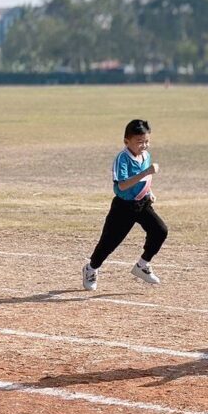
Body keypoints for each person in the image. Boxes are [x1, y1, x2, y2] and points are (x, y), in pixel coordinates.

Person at [82, 119, 167, 290]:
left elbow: (145, 179)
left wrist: (149, 191)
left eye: (147, 141)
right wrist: (147, 171)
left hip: (142, 204)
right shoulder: (122, 159)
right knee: (109, 242)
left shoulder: (145, 155)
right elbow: (122, 185)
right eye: (139, 142)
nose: (144, 145)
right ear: (126, 141)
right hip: (123, 207)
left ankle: (142, 265)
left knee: (160, 231)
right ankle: (91, 268)